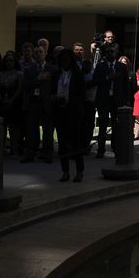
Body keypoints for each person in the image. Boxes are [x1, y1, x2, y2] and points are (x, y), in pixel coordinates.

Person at [21, 45, 57, 163]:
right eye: (36, 52)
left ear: (45, 53)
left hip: (47, 103)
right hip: (33, 102)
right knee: (32, 130)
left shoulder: (52, 69)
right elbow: (25, 86)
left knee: (48, 130)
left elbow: (55, 87)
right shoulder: (29, 70)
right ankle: (30, 154)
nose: (38, 54)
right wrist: (38, 78)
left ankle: (47, 154)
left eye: (40, 52)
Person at [54, 49, 85, 182]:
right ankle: (65, 171)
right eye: (62, 60)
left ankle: (79, 171)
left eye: (66, 60)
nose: (64, 63)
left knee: (76, 142)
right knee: (62, 143)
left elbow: (81, 94)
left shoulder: (77, 74)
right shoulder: (57, 74)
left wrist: (69, 100)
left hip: (73, 111)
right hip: (60, 111)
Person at [92, 45, 129, 158]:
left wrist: (126, 100)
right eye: (108, 52)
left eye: (112, 51)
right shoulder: (100, 66)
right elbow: (94, 81)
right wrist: (108, 77)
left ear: (116, 53)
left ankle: (115, 147)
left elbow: (126, 85)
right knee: (102, 125)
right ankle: (101, 149)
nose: (110, 53)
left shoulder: (122, 67)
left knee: (116, 125)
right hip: (104, 99)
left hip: (117, 100)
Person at [0, 53, 23, 155]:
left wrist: (12, 99)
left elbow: (19, 89)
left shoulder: (19, 74)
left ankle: (14, 148)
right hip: (2, 102)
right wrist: (1, 99)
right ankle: (1, 148)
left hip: (15, 102)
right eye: (7, 61)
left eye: (11, 60)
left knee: (14, 127)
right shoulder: (0, 74)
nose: (9, 63)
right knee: (2, 126)